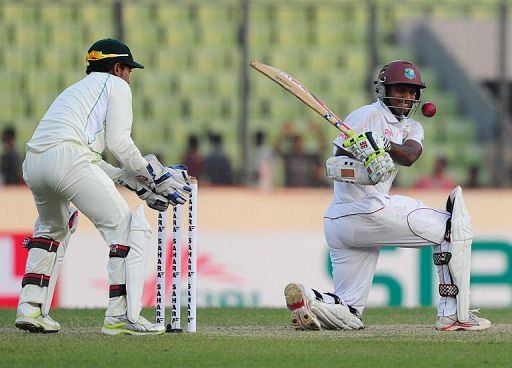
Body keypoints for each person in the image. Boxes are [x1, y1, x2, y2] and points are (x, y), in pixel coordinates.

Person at [284, 60, 491, 332]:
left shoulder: (413, 128)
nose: (405, 97)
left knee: (349, 311)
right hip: (362, 209)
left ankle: (308, 299)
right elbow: (334, 165)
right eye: (399, 90)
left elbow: (409, 156)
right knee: (453, 228)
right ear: (384, 90)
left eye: (411, 91)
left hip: (345, 222)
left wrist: (381, 144)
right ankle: (454, 315)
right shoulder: (366, 115)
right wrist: (364, 162)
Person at [15, 38, 191, 335]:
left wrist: (129, 177)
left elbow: (82, 157)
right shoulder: (116, 86)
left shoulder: (74, 91)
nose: (130, 76)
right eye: (128, 70)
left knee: (52, 228)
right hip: (70, 160)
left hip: (34, 162)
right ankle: (121, 317)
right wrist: (154, 176)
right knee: (125, 228)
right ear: (118, 67)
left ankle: (30, 310)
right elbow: (118, 142)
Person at [274, 121, 327, 187]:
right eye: (295, 143)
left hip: (307, 189)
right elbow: (276, 148)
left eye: (299, 143)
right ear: (292, 144)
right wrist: (283, 134)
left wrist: (318, 132)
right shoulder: (288, 156)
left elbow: (323, 148)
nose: (297, 145)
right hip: (290, 190)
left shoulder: (308, 156)